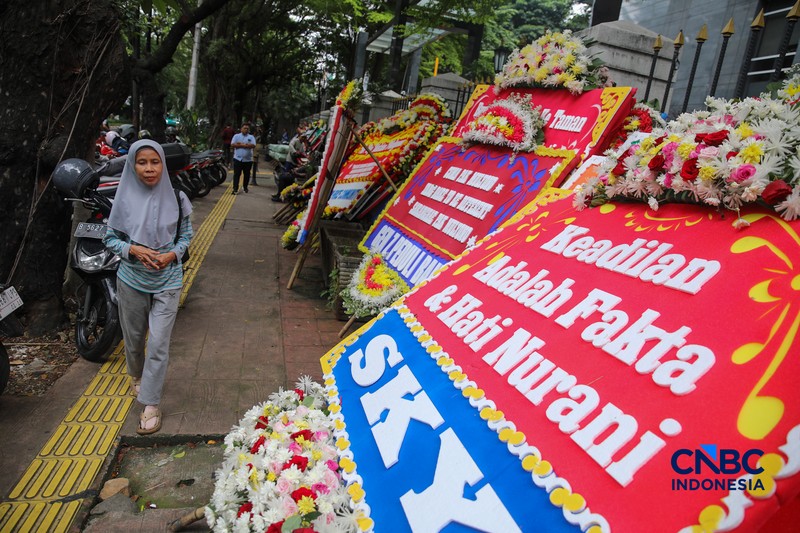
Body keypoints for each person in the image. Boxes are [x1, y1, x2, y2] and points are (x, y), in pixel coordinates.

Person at [103, 140, 194, 435]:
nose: (149, 168)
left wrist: (173, 254)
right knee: (134, 339)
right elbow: (110, 238)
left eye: (155, 162)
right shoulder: (123, 197)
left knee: (158, 344)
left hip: (168, 279)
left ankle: (151, 404)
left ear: (163, 164)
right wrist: (134, 251)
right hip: (131, 279)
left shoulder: (178, 197)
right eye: (142, 162)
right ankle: (135, 374)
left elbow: (186, 235)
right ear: (132, 165)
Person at [230, 123, 257, 194]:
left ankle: (245, 187)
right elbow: (233, 144)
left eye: (247, 128)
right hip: (237, 159)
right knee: (236, 174)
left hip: (248, 160)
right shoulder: (236, 136)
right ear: (241, 129)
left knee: (247, 174)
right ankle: (235, 188)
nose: (246, 130)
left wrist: (240, 145)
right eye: (244, 128)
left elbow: (253, 145)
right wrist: (245, 145)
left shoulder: (251, 137)